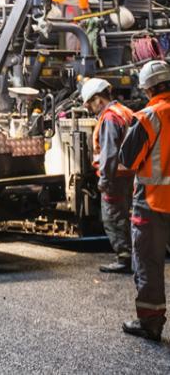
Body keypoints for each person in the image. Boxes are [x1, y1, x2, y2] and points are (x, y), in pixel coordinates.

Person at [118, 60, 170, 341]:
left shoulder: (149, 116)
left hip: (153, 203)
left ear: (148, 88)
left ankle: (150, 323)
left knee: (149, 263)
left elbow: (128, 160)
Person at [81, 78, 135, 274]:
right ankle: (133, 256)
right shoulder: (125, 111)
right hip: (130, 175)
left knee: (113, 218)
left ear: (98, 99)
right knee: (128, 216)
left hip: (115, 178)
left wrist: (104, 180)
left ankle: (124, 258)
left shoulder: (110, 117)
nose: (90, 108)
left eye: (90, 103)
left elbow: (109, 152)